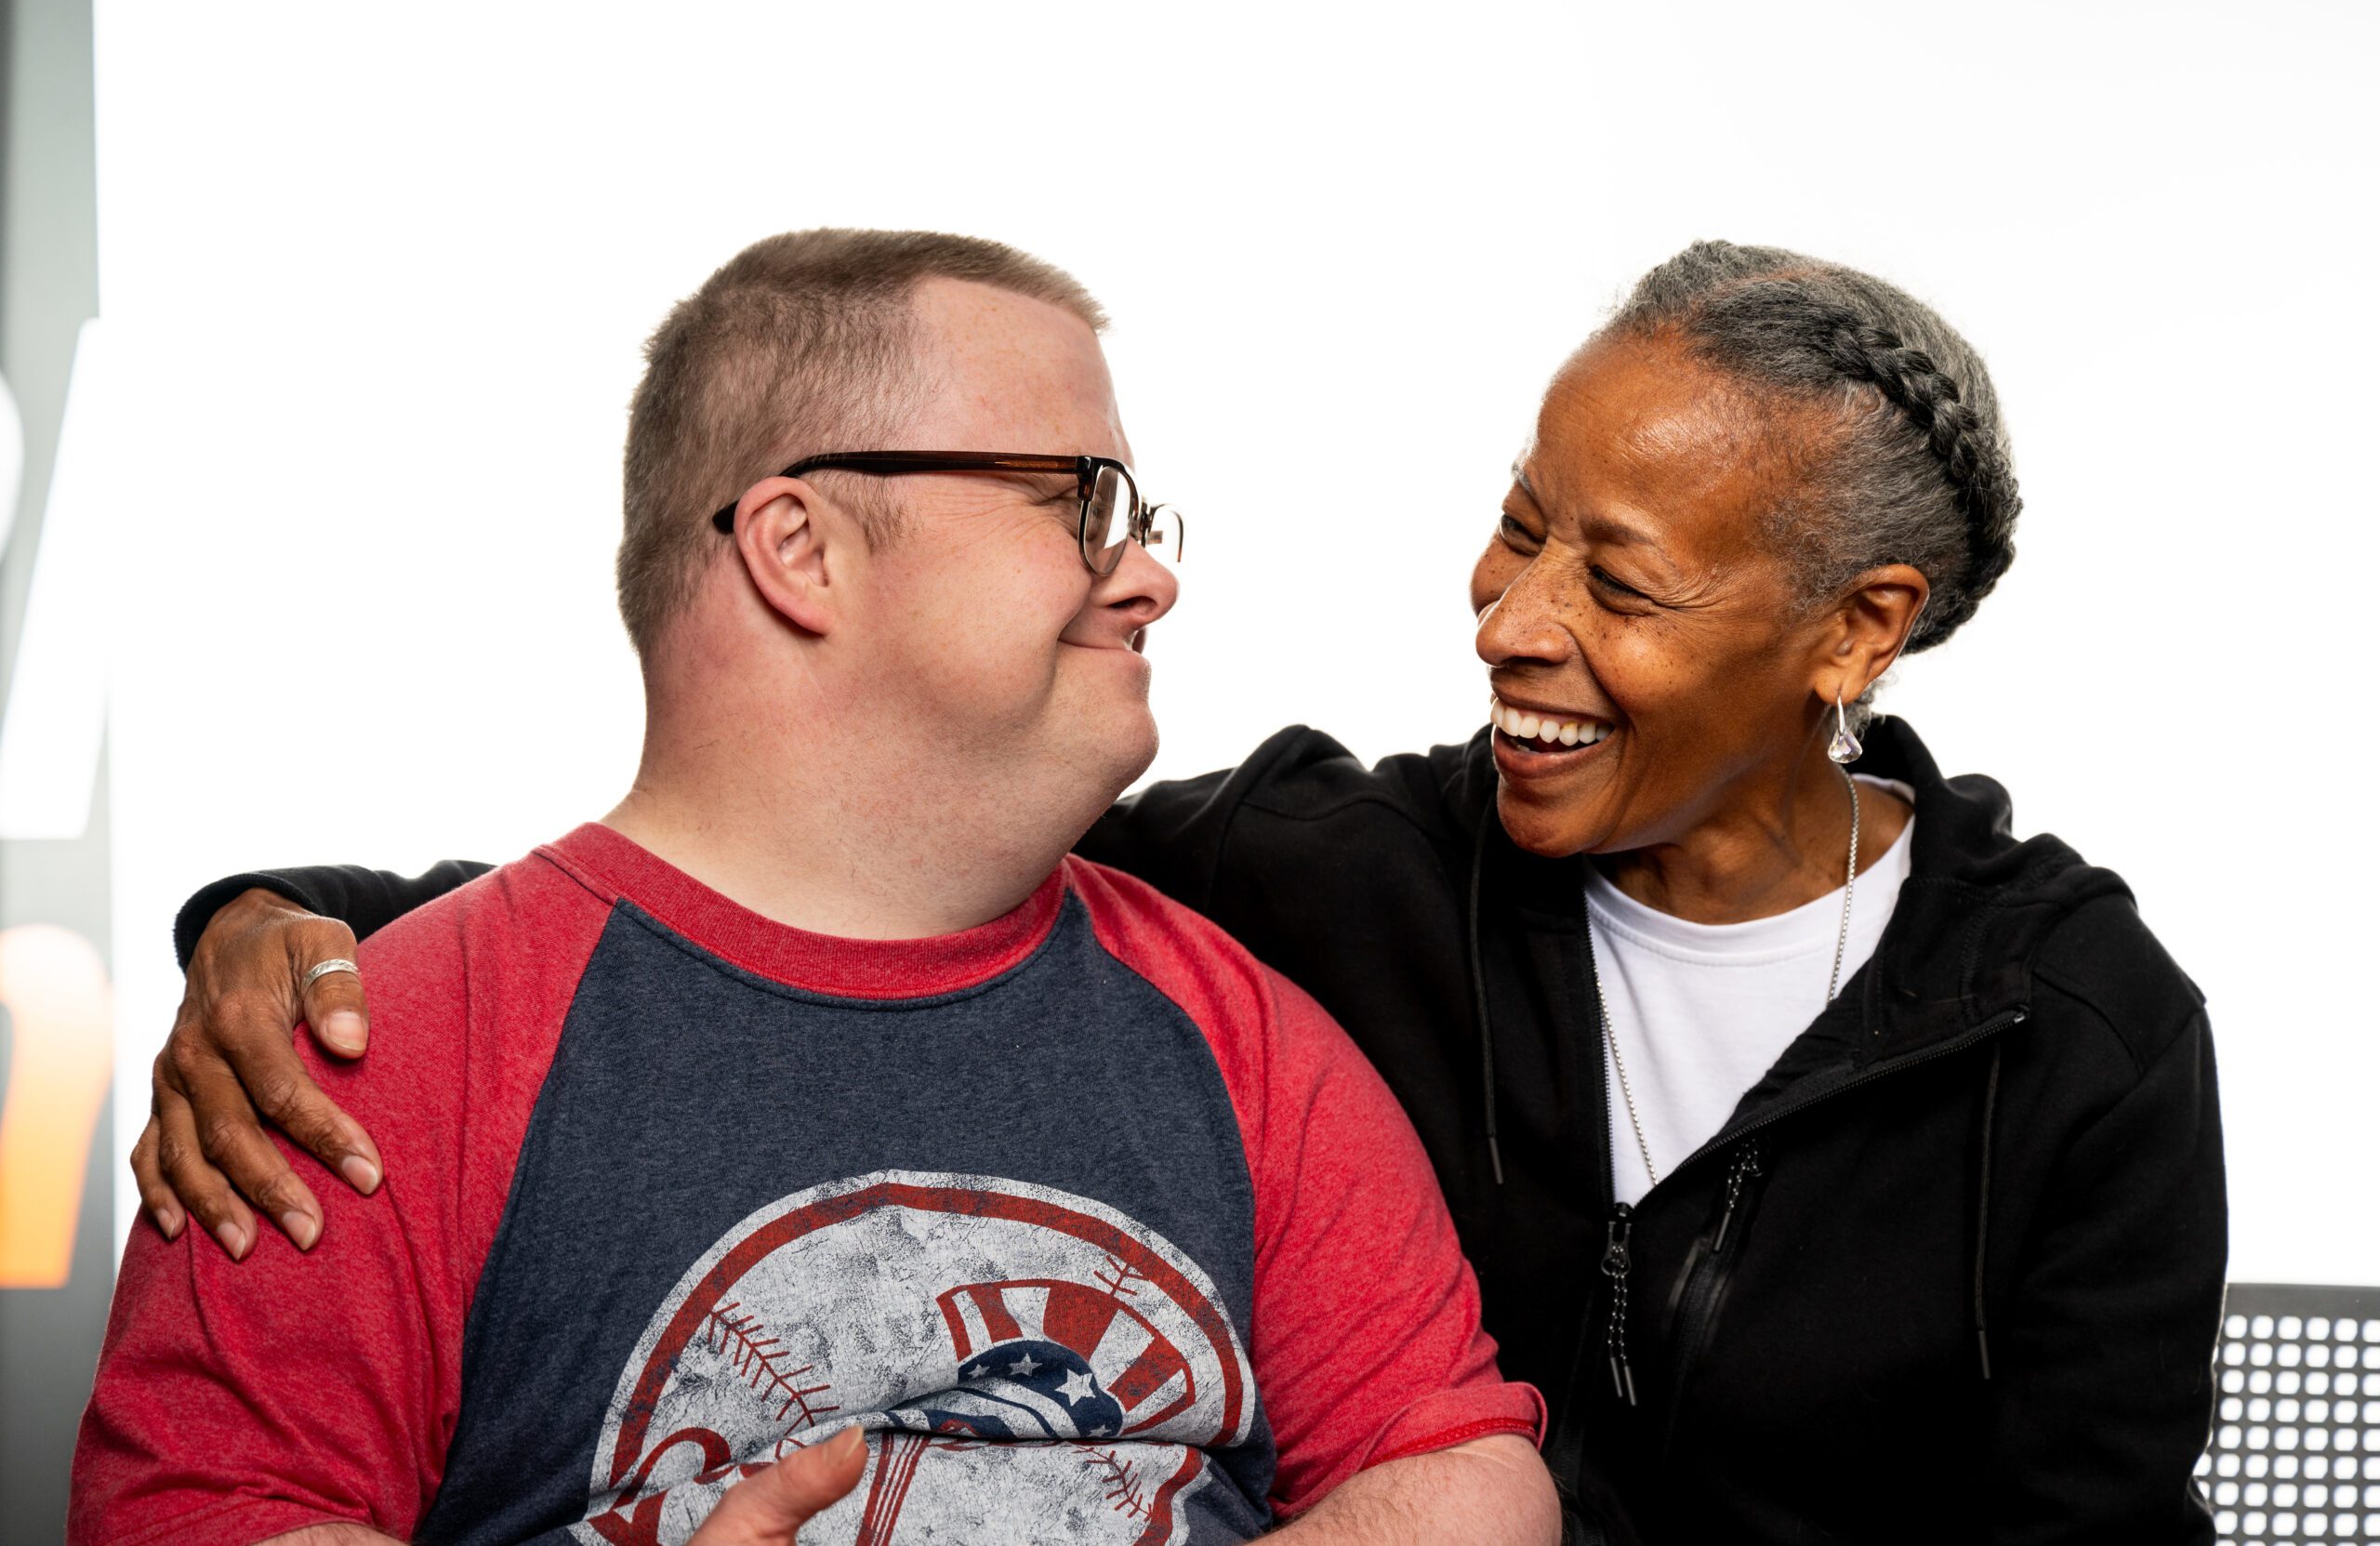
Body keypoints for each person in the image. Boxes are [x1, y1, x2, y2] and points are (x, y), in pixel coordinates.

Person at [138, 242, 2228, 1544]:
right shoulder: (1340, 873)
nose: (1505, 617)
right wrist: (279, 918)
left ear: (1851, 632)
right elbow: (796, 856)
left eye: (1617, 576)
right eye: (1512, 527)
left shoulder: (2071, 1027)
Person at [72, 231, 1561, 1546]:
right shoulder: (361, 1065)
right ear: (799, 547)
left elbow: (1461, 1473)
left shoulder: (1241, 1034)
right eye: (1078, 498)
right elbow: (199, 1516)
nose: (1147, 573)